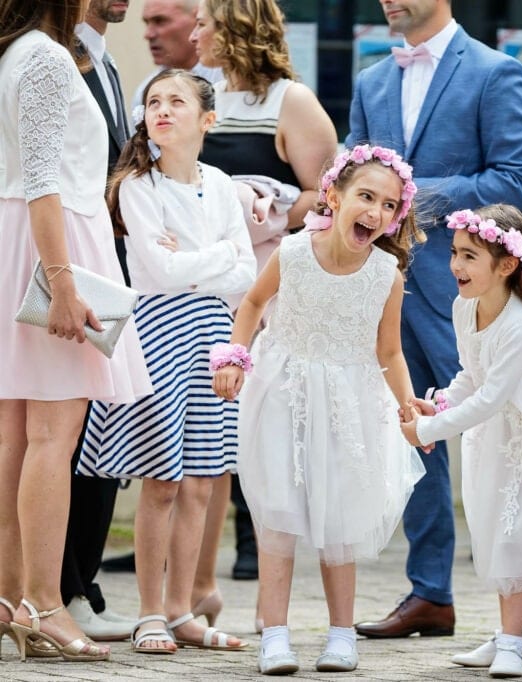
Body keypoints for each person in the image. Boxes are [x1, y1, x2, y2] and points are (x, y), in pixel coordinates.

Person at [347, 0, 522, 638]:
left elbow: (518, 178)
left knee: (507, 436)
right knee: (412, 430)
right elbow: (352, 172)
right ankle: (429, 593)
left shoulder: (494, 71)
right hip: (383, 290)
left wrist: (411, 195)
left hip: (471, 291)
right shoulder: (372, 81)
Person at [212, 145, 426, 675]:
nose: (375, 212)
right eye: (366, 197)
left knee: (341, 516)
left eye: (388, 205)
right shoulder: (292, 252)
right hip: (282, 389)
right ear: (334, 195)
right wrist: (237, 355)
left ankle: (340, 633)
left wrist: (408, 409)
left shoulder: (385, 275)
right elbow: (254, 304)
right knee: (278, 514)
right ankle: (276, 633)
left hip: (349, 400)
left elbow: (390, 351)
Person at [77, 69, 255, 655]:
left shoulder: (223, 184)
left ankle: (182, 610)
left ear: (207, 118)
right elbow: (160, 273)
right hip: (159, 336)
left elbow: (247, 275)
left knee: (204, 481)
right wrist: (221, 253)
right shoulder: (137, 186)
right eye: (153, 101)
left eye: (176, 101)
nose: (162, 110)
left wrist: (209, 256)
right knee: (162, 480)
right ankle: (150, 611)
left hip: (212, 335)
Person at [0, 0, 151, 663]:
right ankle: (43, 603)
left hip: (26, 244)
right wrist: (63, 281)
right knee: (50, 436)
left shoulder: (18, 53)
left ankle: (9, 600)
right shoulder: (44, 57)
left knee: (15, 436)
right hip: (50, 251)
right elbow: (42, 179)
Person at [191, 0, 337, 590]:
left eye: (203, 22)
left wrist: (264, 200)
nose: (194, 32)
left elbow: (328, 197)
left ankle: (261, 547)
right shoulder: (197, 95)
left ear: (234, 29)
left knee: (258, 417)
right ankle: (195, 577)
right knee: (207, 420)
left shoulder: (290, 101)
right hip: (202, 279)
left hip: (265, 281)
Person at [400, 205, 522, 678]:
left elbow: (495, 397)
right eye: (455, 253)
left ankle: (515, 642)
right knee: (494, 532)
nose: (456, 266)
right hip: (488, 438)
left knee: (516, 535)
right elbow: (471, 376)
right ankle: (506, 635)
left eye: (469, 256)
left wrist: (428, 431)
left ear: (507, 265)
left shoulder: (521, 323)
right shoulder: (464, 307)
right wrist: (442, 405)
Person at [59, 0, 138, 643]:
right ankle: (58, 585)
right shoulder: (54, 55)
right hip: (69, 261)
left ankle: (82, 579)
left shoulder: (109, 61)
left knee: (100, 422)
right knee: (60, 426)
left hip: (109, 260)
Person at [130, 0, 222, 108]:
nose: (148, 34)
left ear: (197, 18)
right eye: (147, 23)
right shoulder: (146, 93)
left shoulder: (229, 79)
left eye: (160, 21)